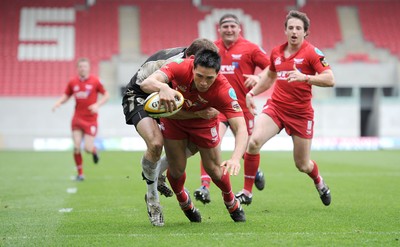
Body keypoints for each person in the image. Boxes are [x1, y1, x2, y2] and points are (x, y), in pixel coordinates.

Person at [140, 48, 248, 223]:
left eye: (209, 78)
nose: (203, 82)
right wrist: (162, 87)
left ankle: (231, 201)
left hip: (204, 124)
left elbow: (241, 127)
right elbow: (146, 84)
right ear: (192, 68)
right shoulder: (180, 67)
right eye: (199, 76)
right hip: (175, 121)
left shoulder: (224, 90)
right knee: (176, 169)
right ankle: (185, 203)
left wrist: (236, 158)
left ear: (218, 74)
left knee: (214, 169)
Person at [121, 38, 221, 227]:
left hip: (164, 99)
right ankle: (153, 200)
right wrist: (164, 87)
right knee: (156, 143)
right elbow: (147, 85)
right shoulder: (174, 64)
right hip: (139, 96)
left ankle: (158, 172)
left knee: (199, 141)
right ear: (192, 58)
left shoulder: (197, 64)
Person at [244, 10, 334, 206]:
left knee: (302, 164)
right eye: (291, 27)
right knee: (253, 142)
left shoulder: (312, 53)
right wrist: (251, 93)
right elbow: (268, 78)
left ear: (305, 32)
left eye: (298, 28)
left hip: (301, 115)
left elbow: (330, 79)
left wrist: (306, 78)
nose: (294, 31)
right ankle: (246, 192)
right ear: (285, 30)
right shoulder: (276, 52)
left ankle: (320, 183)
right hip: (276, 108)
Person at [193, 13, 270, 205]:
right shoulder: (211, 48)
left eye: (232, 27)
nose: (229, 30)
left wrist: (259, 78)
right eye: (225, 27)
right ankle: (204, 186)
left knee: (247, 149)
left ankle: (252, 176)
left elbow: (271, 67)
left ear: (239, 28)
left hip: (242, 109)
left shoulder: (251, 48)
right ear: (219, 29)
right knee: (211, 142)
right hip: (217, 107)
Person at [52, 58, 109, 181]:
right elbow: (67, 95)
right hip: (77, 119)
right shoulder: (73, 82)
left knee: (87, 148)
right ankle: (80, 174)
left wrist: (97, 105)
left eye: (85, 66)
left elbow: (106, 95)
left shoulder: (95, 81)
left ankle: (94, 150)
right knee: (76, 147)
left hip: (90, 120)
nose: (83, 68)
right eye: (80, 66)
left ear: (88, 68)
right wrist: (59, 102)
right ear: (77, 68)